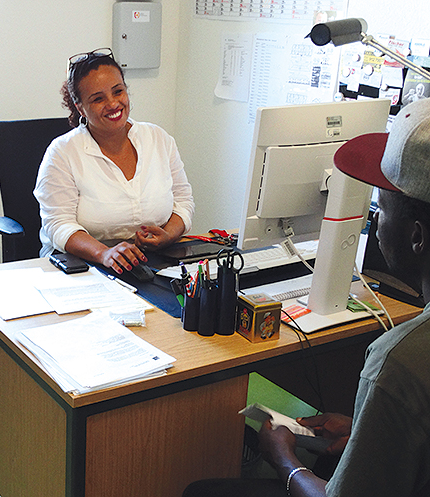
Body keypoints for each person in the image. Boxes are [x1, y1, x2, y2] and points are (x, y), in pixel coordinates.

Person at [183, 97, 430, 497]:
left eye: (379, 209)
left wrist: (282, 459)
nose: (374, 220)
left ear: (416, 235)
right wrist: (362, 428)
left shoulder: (400, 364)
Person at [34, 48, 194, 275]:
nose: (113, 104)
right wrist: (104, 253)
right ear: (80, 107)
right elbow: (58, 224)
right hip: (84, 268)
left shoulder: (158, 138)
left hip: (153, 263)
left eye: (118, 91)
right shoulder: (62, 153)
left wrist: (168, 235)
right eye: (98, 99)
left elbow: (183, 202)